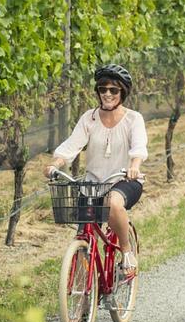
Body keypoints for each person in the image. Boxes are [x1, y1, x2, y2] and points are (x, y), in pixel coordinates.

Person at [45, 64, 147, 276]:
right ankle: (82, 298)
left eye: (113, 90)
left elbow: (138, 148)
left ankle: (126, 251)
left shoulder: (133, 119)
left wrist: (134, 167)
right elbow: (72, 146)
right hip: (94, 183)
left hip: (124, 180)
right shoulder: (89, 118)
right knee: (83, 235)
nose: (107, 94)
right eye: (103, 89)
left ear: (123, 92)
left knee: (113, 203)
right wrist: (56, 163)